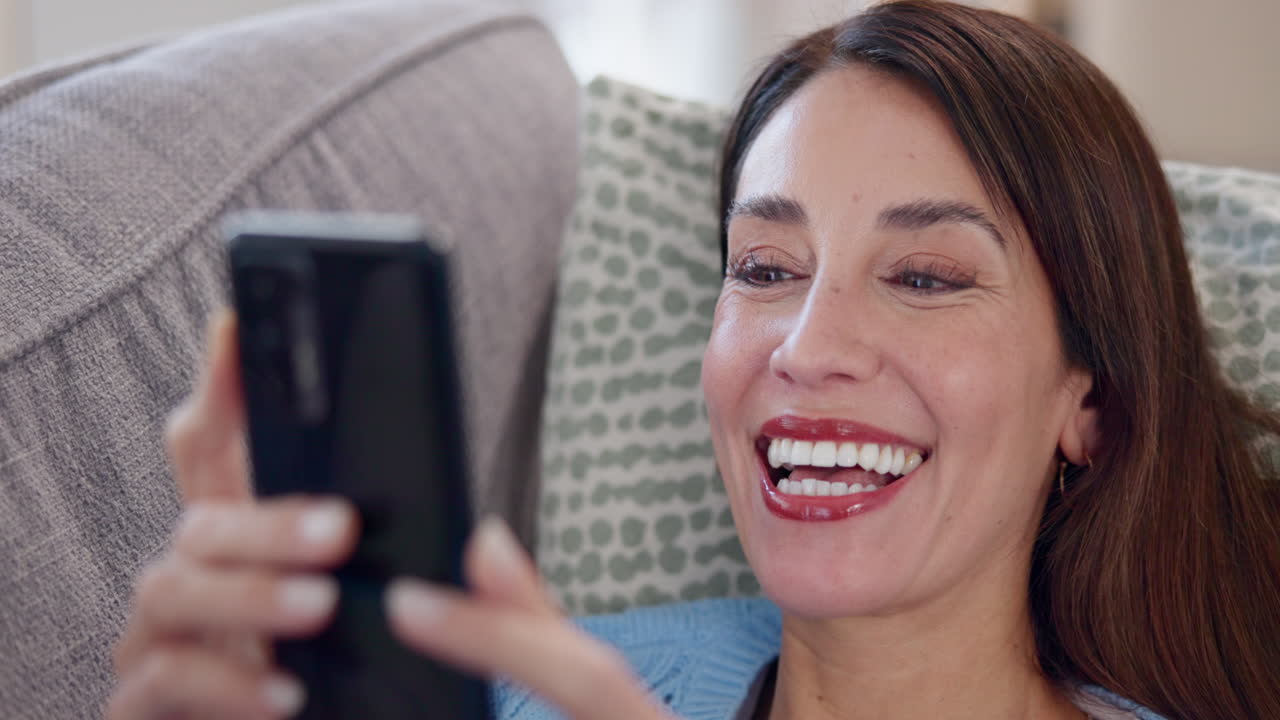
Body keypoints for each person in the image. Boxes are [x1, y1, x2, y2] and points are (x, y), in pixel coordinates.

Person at [107, 1, 1280, 719]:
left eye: (923, 277)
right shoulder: (511, 692)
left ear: (1093, 403)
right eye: (765, 269)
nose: (806, 347)